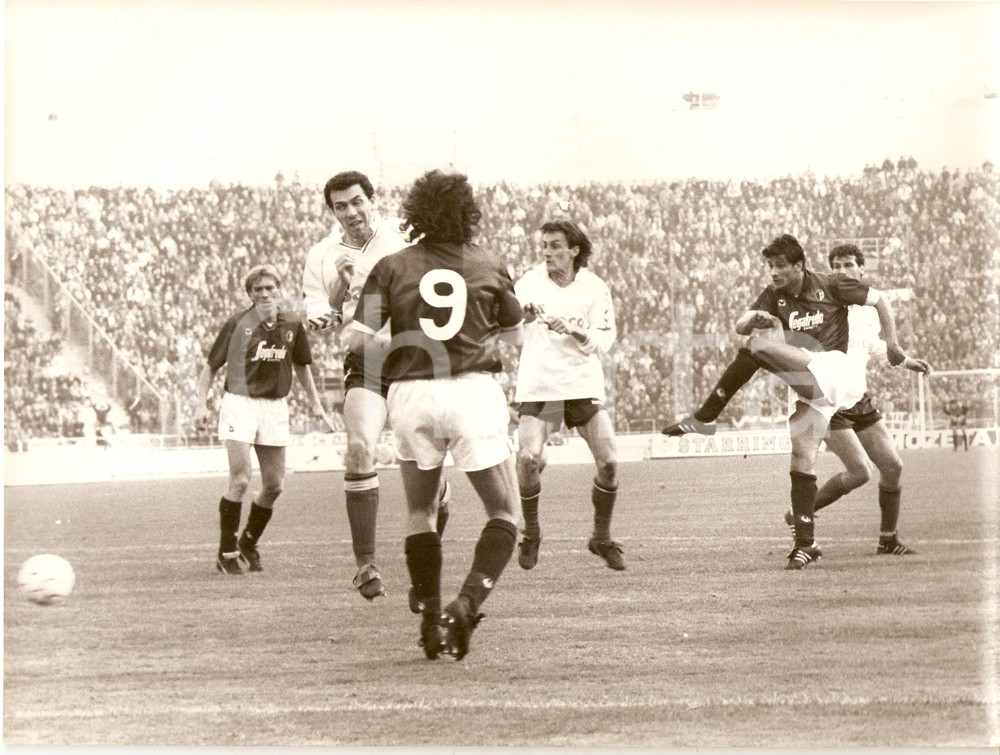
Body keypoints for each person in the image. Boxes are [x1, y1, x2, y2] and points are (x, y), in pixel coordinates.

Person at [348, 169, 524, 660]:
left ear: (415, 212)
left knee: (420, 510)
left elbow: (357, 341)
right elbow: (516, 337)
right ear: (468, 213)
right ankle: (465, 606)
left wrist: (402, 338)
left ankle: (429, 622)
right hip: (471, 389)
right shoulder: (489, 263)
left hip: (411, 395)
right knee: (504, 512)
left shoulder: (391, 265)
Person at [665, 244, 931, 556]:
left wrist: (901, 355)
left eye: (848, 266)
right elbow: (742, 326)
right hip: (822, 388)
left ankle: (885, 537)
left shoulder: (862, 310)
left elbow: (877, 346)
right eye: (837, 265)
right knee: (824, 462)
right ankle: (805, 539)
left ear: (861, 270)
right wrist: (754, 320)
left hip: (852, 393)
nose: (842, 271)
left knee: (890, 466)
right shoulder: (825, 296)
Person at [301, 170, 450, 602]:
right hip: (365, 361)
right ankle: (365, 565)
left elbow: (435, 287)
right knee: (360, 447)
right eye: (340, 206)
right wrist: (337, 290)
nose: (350, 212)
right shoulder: (322, 255)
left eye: (356, 202)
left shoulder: (405, 237)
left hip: (413, 359)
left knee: (425, 469)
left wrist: (375, 280)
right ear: (332, 211)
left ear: (372, 199)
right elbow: (323, 319)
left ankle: (436, 514)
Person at [195, 264, 329, 575]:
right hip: (240, 404)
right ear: (250, 295)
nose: (265, 293)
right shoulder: (237, 324)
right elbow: (209, 367)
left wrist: (317, 405)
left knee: (274, 485)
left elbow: (303, 367)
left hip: (275, 406)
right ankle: (226, 552)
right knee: (241, 479)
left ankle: (248, 542)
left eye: (270, 288)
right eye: (258, 289)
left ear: (279, 290)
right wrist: (201, 405)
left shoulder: (292, 326)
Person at [512, 220, 625, 572]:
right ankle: (531, 533)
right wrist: (521, 316)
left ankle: (601, 538)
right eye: (543, 245)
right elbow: (508, 327)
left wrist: (574, 329)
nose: (547, 252)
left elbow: (604, 341)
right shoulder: (529, 283)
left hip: (581, 388)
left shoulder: (594, 288)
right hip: (542, 389)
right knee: (528, 459)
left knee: (608, 463)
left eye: (555, 245)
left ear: (574, 250)